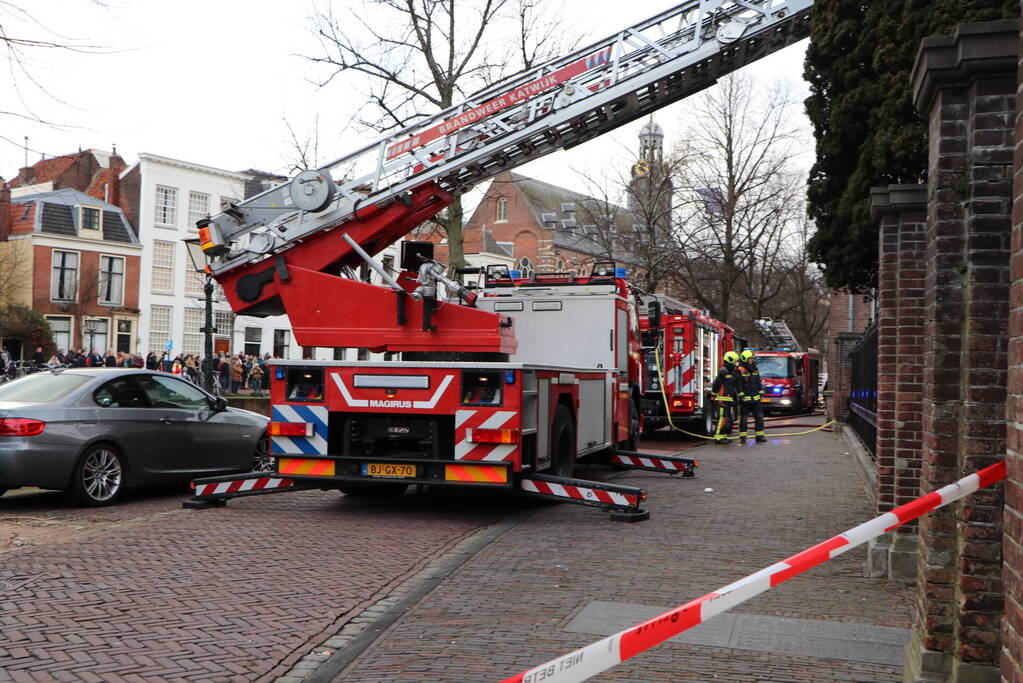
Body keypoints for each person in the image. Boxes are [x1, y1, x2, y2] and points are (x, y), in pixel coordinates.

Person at [710, 350, 741, 444]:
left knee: (726, 419)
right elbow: (716, 384)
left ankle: (723, 436)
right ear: (730, 360)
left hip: (728, 398)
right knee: (722, 418)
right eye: (735, 361)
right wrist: (714, 394)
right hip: (722, 399)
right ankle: (718, 437)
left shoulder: (732, 371)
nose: (736, 363)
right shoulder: (723, 371)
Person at [737, 349, 768, 444]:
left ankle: (760, 436)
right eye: (750, 359)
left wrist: (761, 392)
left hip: (756, 398)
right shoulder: (740, 370)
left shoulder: (755, 369)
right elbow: (739, 384)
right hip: (745, 399)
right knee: (744, 418)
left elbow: (758, 382)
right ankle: (743, 437)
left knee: (759, 417)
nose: (752, 360)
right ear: (745, 359)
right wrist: (741, 395)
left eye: (752, 359)